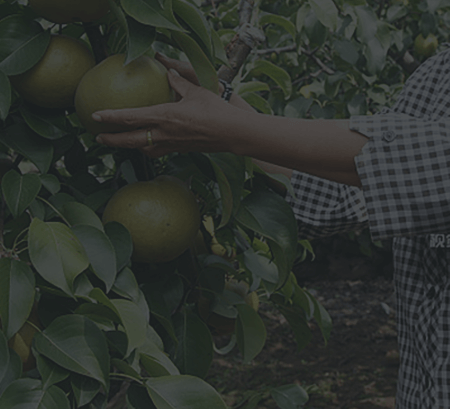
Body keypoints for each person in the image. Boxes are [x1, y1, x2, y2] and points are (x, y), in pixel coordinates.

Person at [94, 49, 450, 409]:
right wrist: (223, 104)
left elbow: (428, 167)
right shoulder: (439, 70)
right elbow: (351, 189)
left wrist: (229, 129)